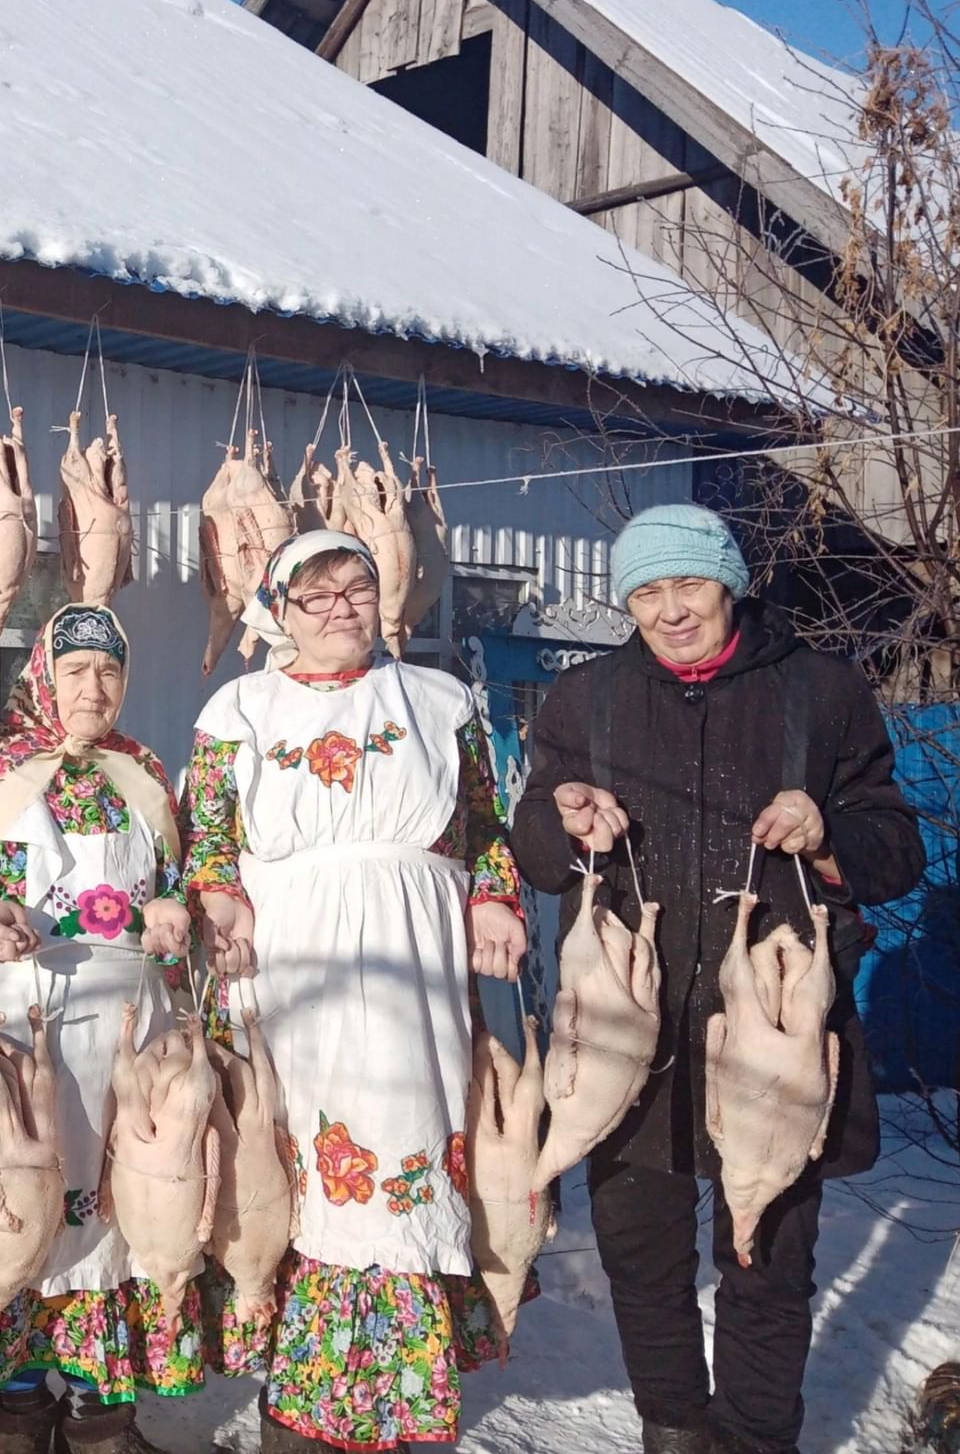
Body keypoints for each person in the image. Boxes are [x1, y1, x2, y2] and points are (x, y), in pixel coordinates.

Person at [512, 503, 925, 1454]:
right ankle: (672, 1431)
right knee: (642, 1263)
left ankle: (754, 1439)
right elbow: (536, 852)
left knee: (769, 1270)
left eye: (688, 585)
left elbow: (896, 851)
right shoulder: (586, 698)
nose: (670, 611)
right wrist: (560, 819)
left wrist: (827, 835)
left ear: (729, 582)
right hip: (627, 1037)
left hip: (773, 1039)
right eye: (647, 593)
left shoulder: (821, 693)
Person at [180, 530, 527, 1453]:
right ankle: (298, 1417)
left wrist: (495, 899)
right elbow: (207, 839)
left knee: (401, 1154)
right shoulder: (238, 709)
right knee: (283, 1163)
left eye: (358, 590)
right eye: (316, 594)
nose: (340, 609)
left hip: (413, 959)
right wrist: (218, 896)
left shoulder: (440, 701)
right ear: (279, 609)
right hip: (289, 958)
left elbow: (486, 827)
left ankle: (396, 1401)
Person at [0, 604, 197, 1454]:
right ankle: (18, 1409)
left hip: (125, 1035)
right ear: (43, 676)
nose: (93, 689)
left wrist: (174, 906)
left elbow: (187, 883)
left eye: (109, 672)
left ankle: (102, 1416)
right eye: (75, 672)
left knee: (117, 1212)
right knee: (13, 1206)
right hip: (20, 1028)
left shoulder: (146, 772)